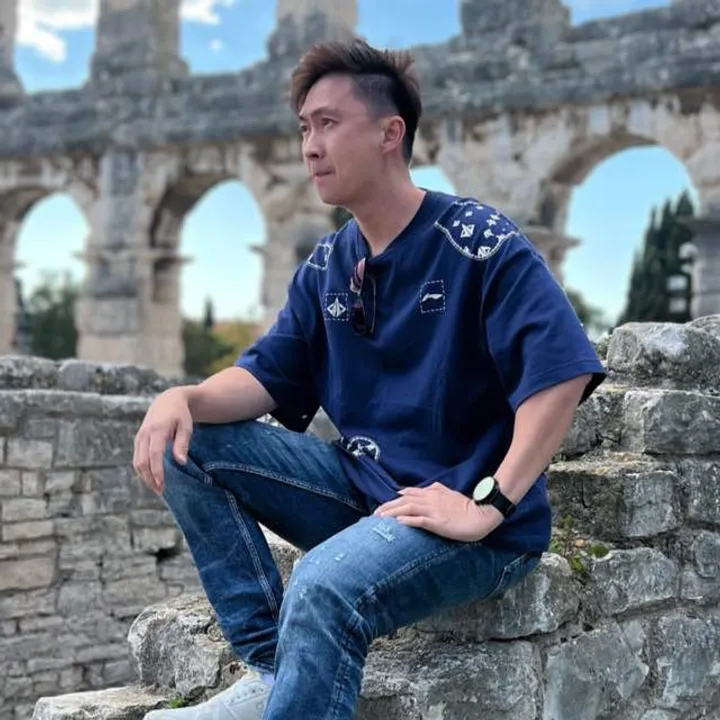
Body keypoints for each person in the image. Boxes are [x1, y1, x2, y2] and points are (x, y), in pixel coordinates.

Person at [134, 38, 605, 720]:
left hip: (471, 521)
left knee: (321, 583)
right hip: (366, 491)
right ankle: (274, 670)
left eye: (328, 123)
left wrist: (489, 505)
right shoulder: (328, 262)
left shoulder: (476, 238)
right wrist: (182, 398)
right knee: (187, 441)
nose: (310, 146)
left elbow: (560, 372)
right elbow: (264, 379)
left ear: (390, 133)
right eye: (304, 128)